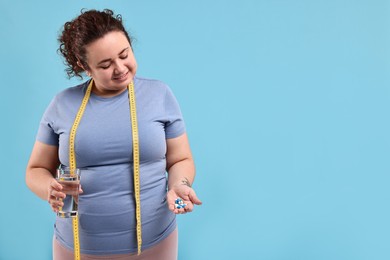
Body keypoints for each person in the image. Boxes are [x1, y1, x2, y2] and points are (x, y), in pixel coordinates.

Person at [25, 9, 201, 260]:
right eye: (105, 64)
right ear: (84, 67)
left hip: (155, 243)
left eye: (124, 54)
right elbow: (36, 169)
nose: (120, 68)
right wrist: (49, 189)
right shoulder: (62, 105)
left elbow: (180, 159)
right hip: (78, 245)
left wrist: (179, 186)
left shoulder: (159, 95)